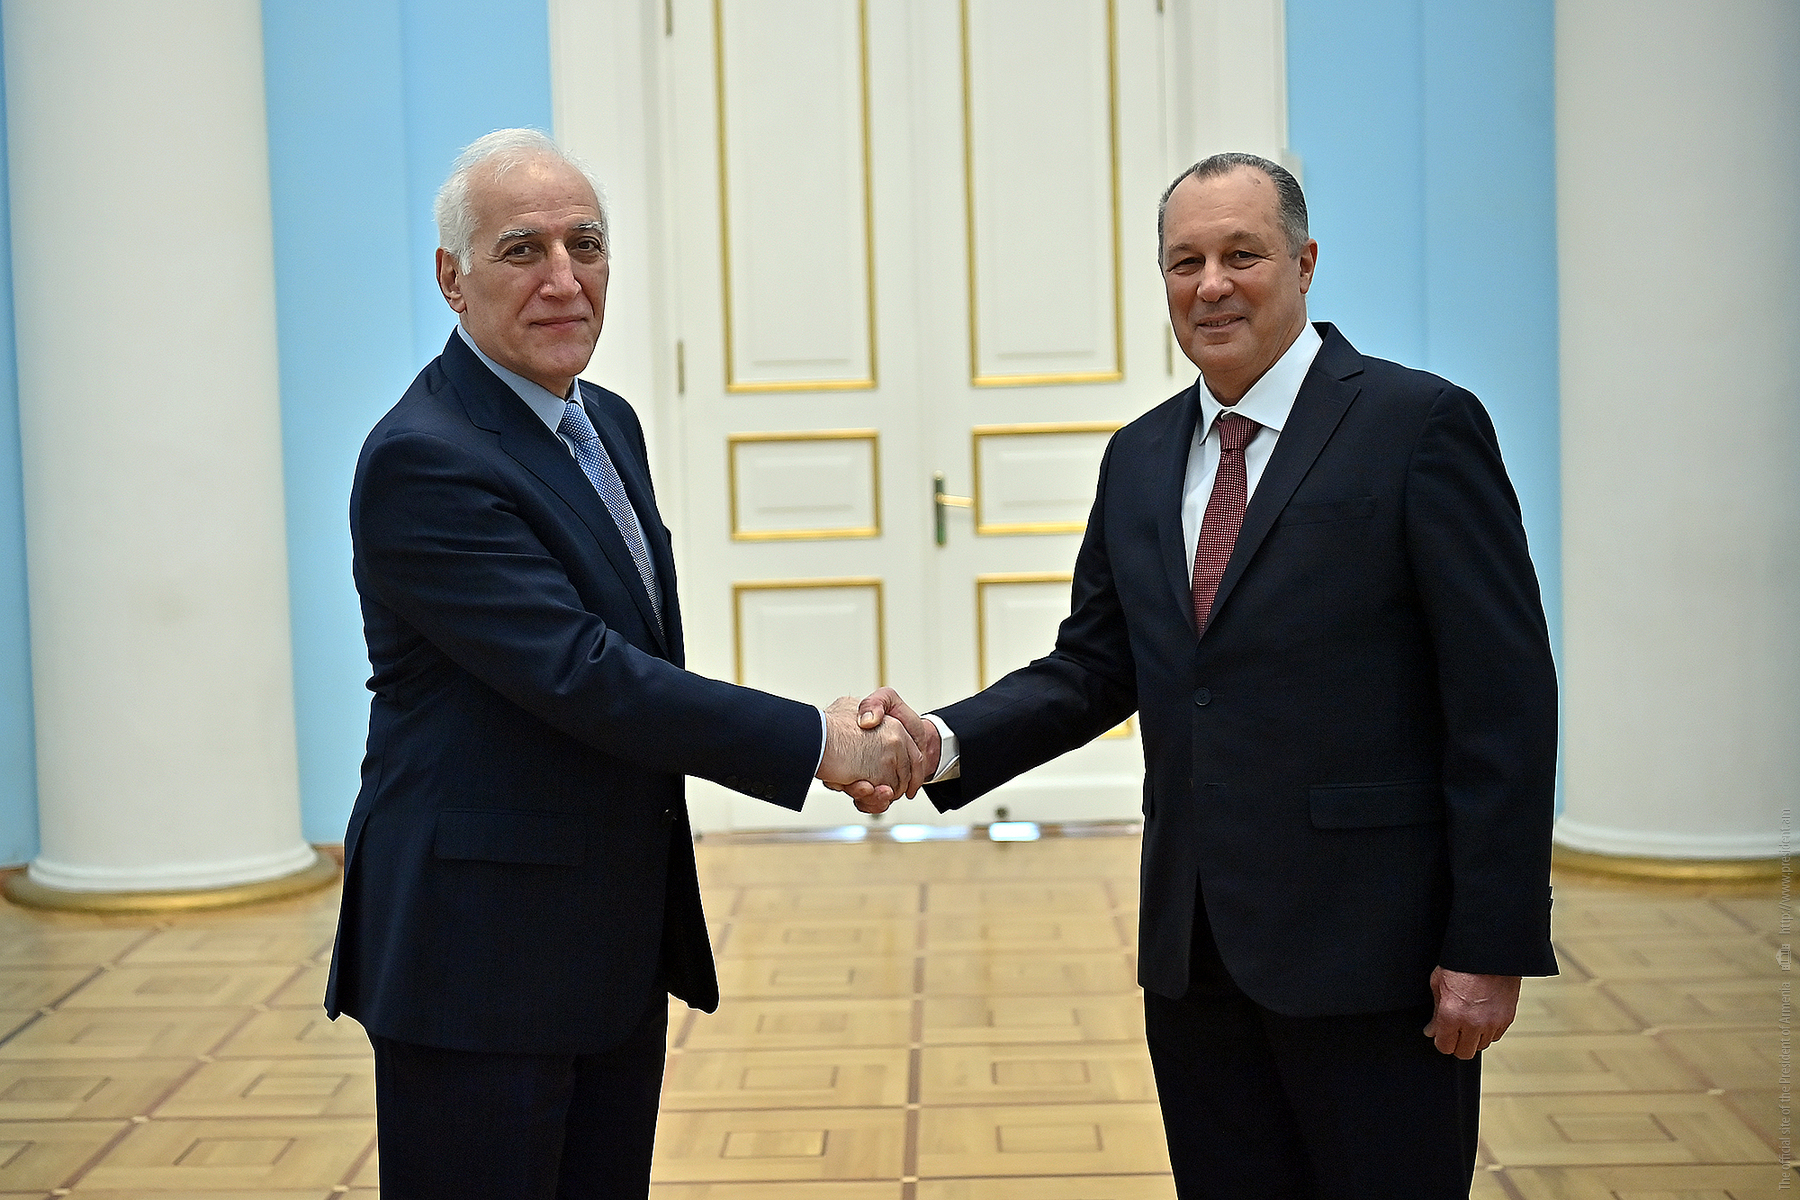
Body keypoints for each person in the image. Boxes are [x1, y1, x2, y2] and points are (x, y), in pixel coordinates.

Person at [849, 153, 1558, 1198]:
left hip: (1375, 957)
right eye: (1186, 262)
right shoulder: (1140, 457)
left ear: (1304, 263)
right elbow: (1095, 666)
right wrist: (941, 741)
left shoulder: (1418, 425)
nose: (1211, 285)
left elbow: (1504, 701)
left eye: (1242, 255)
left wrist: (1490, 942)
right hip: (1196, 960)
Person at [324, 128, 924, 1200]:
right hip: (478, 959)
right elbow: (585, 672)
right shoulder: (425, 458)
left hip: (604, 939)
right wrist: (819, 743)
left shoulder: (605, 422)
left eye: (586, 245)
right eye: (523, 250)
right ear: (452, 278)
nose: (565, 279)